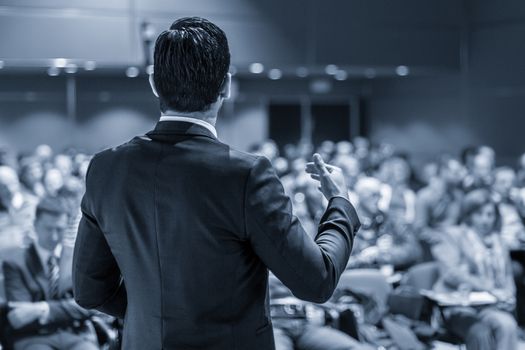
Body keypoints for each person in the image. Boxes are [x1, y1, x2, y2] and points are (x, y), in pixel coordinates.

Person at [72, 17, 360, 350]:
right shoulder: (246, 174)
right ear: (225, 86)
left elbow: (90, 290)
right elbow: (317, 281)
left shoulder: (106, 167)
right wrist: (341, 204)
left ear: (153, 83)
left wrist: (153, 318)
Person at [3, 196, 98, 350]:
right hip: (34, 338)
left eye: (59, 229)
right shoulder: (15, 262)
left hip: (76, 335)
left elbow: (90, 306)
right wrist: (68, 309)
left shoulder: (78, 259)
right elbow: (19, 316)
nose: (54, 236)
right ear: (35, 225)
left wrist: (42, 309)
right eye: (48, 229)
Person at [431, 189, 518, 350]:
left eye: (490, 215)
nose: (485, 220)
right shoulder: (452, 235)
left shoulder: (498, 242)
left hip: (491, 306)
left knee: (508, 325)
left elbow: (507, 275)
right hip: (458, 306)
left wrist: (509, 295)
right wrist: (490, 288)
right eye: (479, 214)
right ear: (468, 214)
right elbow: (451, 273)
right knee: (481, 333)